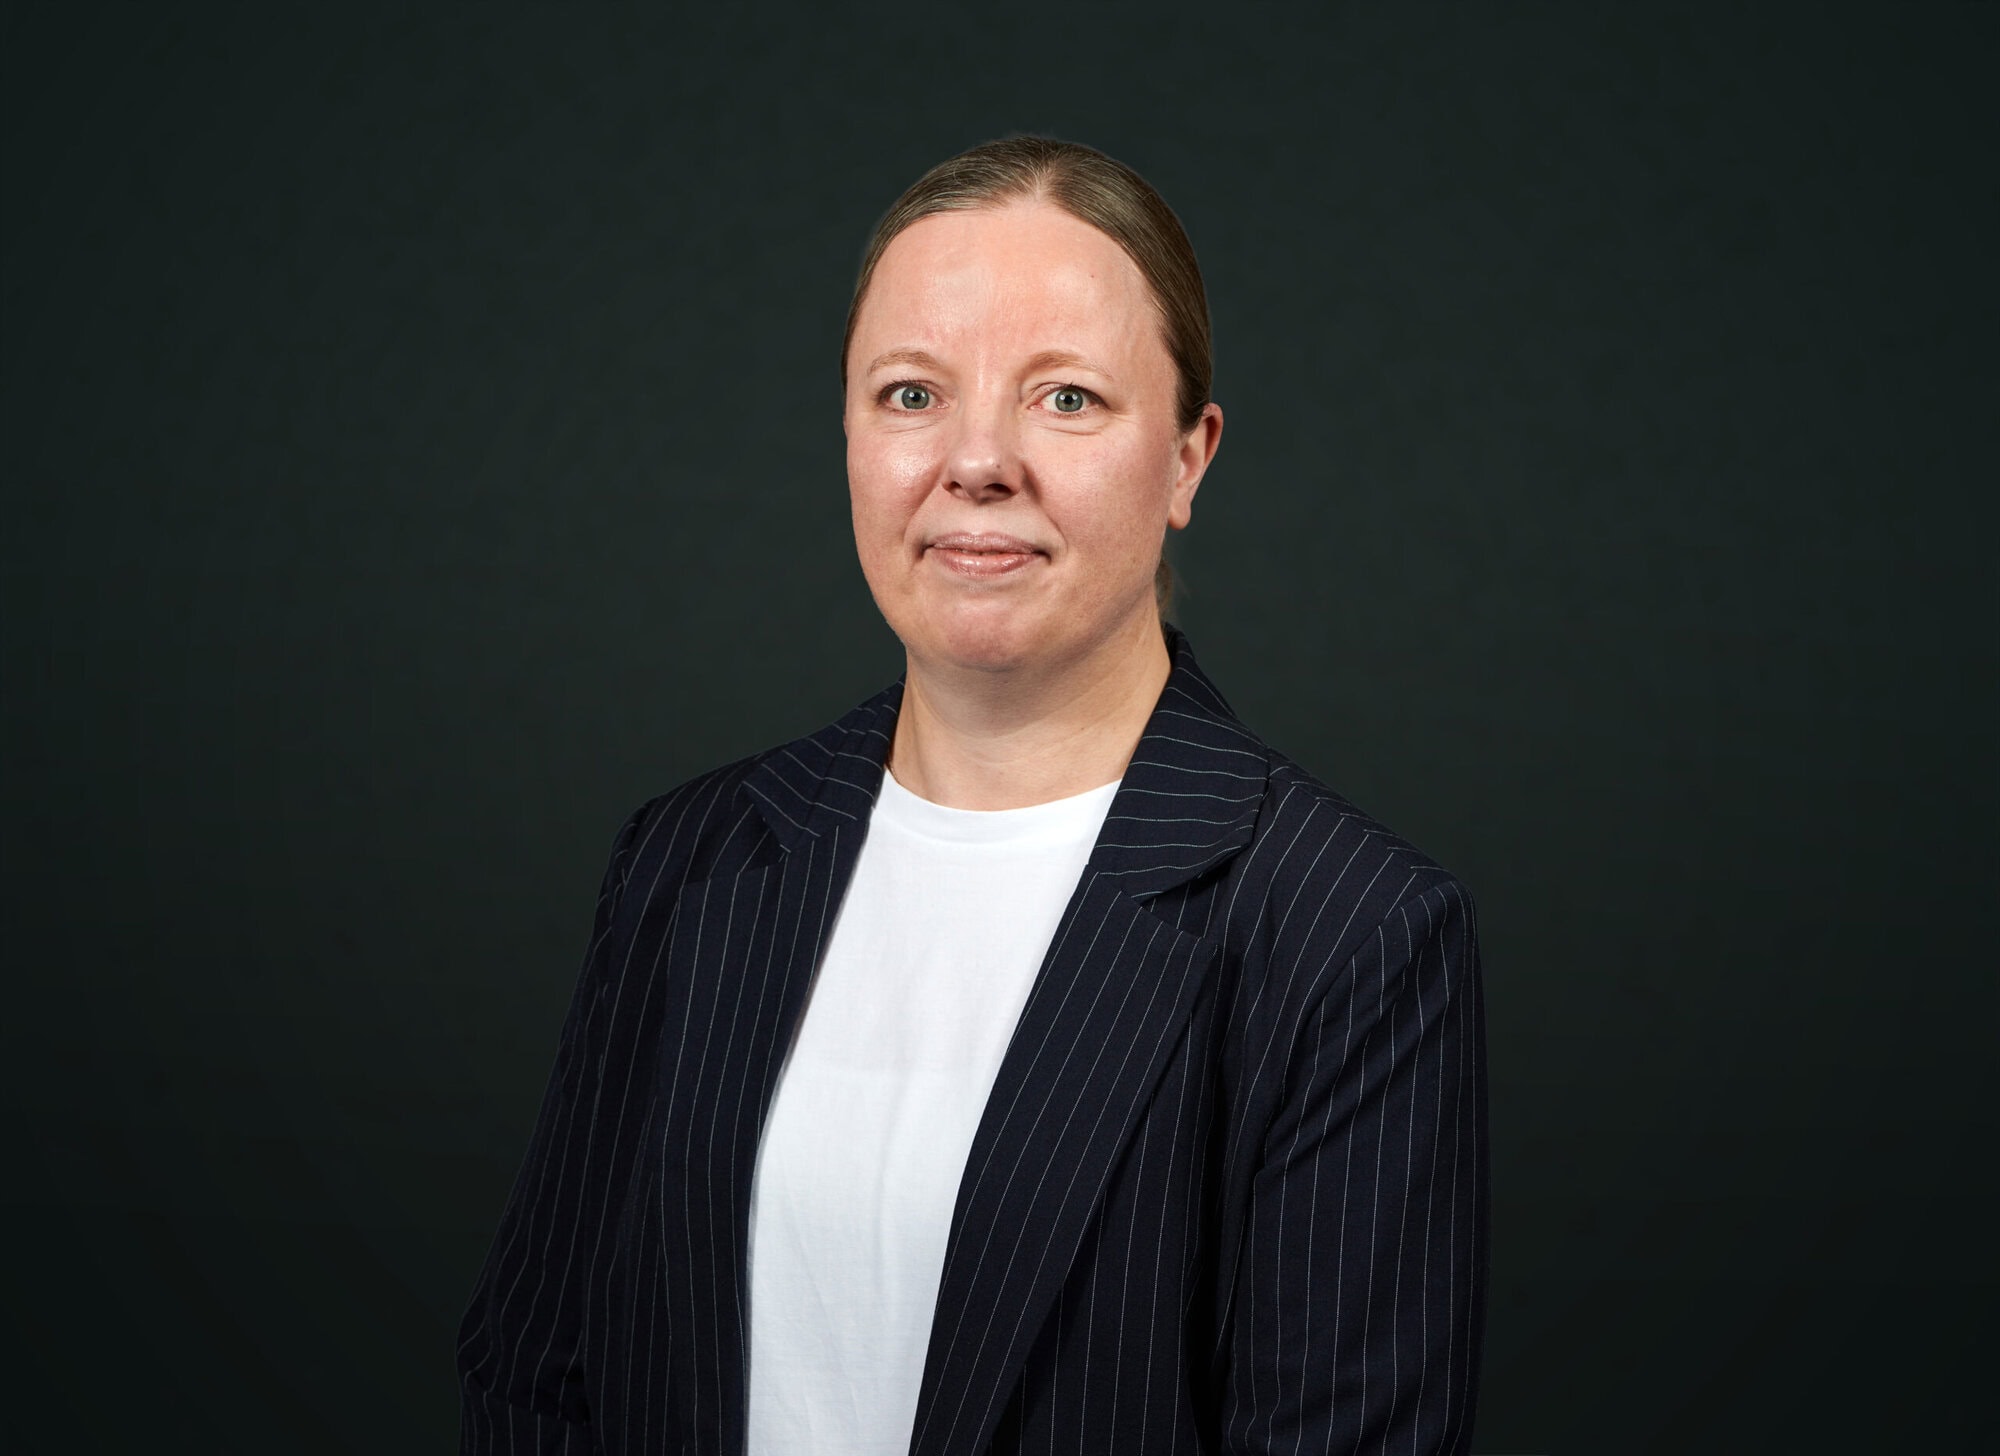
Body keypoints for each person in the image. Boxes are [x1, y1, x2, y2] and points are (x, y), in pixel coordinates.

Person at [458, 136, 1487, 1455]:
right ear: (847, 432)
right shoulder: (689, 860)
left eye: (1066, 398)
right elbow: (539, 1383)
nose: (978, 460)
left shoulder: (1351, 934)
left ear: (1188, 459)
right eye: (911, 394)